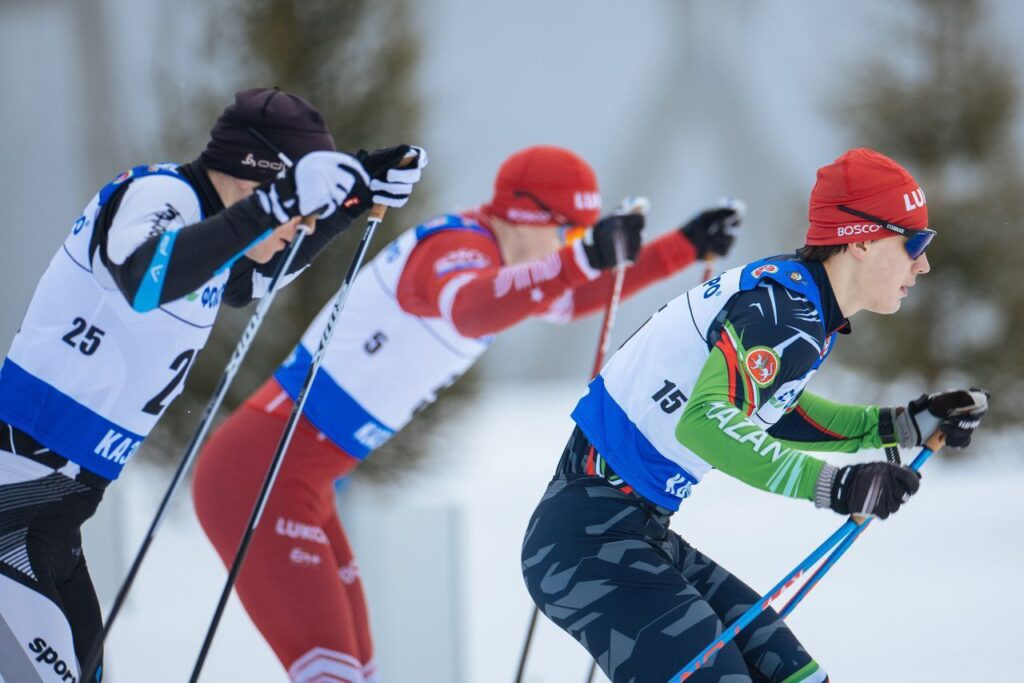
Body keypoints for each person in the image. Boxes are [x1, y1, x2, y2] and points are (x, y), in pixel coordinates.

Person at [191, 144, 744, 682]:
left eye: (580, 236)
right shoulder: (454, 249)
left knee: (357, 669)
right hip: (258, 474)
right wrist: (582, 256)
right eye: (568, 231)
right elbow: (472, 309)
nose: (566, 247)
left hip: (302, 481)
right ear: (528, 215)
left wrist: (683, 247)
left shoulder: (507, 262)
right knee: (330, 671)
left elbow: (570, 296)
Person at [0, 87, 426, 682]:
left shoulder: (212, 231)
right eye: (298, 211)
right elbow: (144, 278)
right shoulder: (160, 195)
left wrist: (354, 198)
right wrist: (275, 207)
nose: (300, 227)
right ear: (259, 180)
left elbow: (250, 279)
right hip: (15, 506)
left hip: (53, 517)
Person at [520, 148, 990, 683]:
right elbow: (704, 419)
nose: (922, 263)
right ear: (860, 240)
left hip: (634, 531)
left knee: (794, 676)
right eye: (914, 243)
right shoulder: (784, 311)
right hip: (587, 541)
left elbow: (770, 407)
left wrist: (901, 424)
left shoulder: (798, 303)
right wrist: (836, 486)